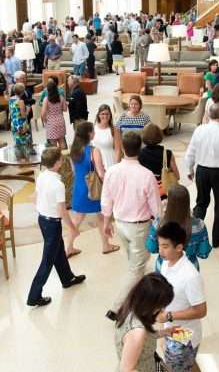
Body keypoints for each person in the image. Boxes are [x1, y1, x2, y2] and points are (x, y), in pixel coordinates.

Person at [101, 132, 161, 320]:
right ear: (140, 148)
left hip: (120, 224)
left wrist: (106, 222)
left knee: (135, 264)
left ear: (124, 149)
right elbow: (156, 209)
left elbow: (106, 199)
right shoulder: (146, 175)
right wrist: (159, 226)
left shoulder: (112, 171)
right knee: (136, 267)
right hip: (139, 228)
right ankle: (117, 308)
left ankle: (139, 296)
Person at [26, 148, 86, 307]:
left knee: (58, 251)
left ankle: (67, 278)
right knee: (47, 261)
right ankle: (34, 296)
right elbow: (62, 210)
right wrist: (72, 228)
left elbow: (36, 196)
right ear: (58, 162)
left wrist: (41, 207)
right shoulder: (58, 185)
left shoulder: (41, 176)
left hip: (42, 220)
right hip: (52, 223)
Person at [185, 103, 219, 248]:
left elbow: (190, 152)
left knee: (201, 203)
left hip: (202, 170)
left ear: (208, 115)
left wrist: (189, 170)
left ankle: (193, 235)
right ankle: (217, 239)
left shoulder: (199, 130)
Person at [155, 222, 207, 372]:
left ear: (179, 247)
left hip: (185, 335)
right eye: (159, 245)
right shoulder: (166, 263)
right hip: (170, 329)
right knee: (187, 364)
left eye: (165, 247)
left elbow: (201, 310)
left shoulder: (190, 276)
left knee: (178, 365)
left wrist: (169, 316)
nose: (160, 250)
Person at [65, 122, 118, 257]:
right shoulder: (94, 150)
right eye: (93, 130)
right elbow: (100, 173)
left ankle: (68, 248)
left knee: (77, 219)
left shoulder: (74, 149)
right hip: (93, 189)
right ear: (89, 134)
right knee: (101, 216)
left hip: (79, 187)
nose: (94, 132)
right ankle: (106, 245)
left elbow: (74, 171)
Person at [115, 274, 175, 372]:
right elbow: (127, 370)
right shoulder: (138, 332)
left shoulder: (130, 307)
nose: (162, 310)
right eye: (161, 305)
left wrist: (164, 332)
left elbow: (141, 342)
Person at [145, 185, 211, 273]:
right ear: (187, 202)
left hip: (163, 269)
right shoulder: (199, 225)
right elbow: (204, 254)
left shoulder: (159, 223)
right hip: (190, 270)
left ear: (169, 202)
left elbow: (151, 248)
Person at [138, 123, 180, 198]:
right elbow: (177, 176)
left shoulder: (139, 153)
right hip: (163, 191)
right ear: (159, 135)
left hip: (146, 192)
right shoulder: (167, 153)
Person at [114, 95, 151, 161]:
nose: (133, 106)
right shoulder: (123, 116)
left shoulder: (145, 117)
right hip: (125, 150)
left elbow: (149, 134)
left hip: (140, 150)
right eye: (132, 104)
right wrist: (121, 149)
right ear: (129, 105)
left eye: (136, 104)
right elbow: (117, 131)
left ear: (140, 105)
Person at [41, 80, 68, 149]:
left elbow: (43, 113)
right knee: (62, 141)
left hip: (51, 122)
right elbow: (65, 109)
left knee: (53, 144)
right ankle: (64, 157)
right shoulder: (61, 98)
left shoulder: (46, 99)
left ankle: (56, 158)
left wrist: (44, 120)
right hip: (60, 121)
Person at [92, 104, 117, 170]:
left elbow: (118, 150)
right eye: (102, 114)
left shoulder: (114, 129)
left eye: (107, 114)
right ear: (99, 115)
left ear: (110, 115)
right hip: (96, 162)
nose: (105, 116)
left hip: (110, 161)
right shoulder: (94, 128)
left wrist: (116, 167)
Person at [9, 83, 34, 151]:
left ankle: (19, 157)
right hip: (21, 124)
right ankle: (25, 157)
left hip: (14, 123)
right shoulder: (21, 101)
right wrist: (28, 109)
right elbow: (23, 116)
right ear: (23, 92)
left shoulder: (11, 99)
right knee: (25, 142)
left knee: (17, 141)